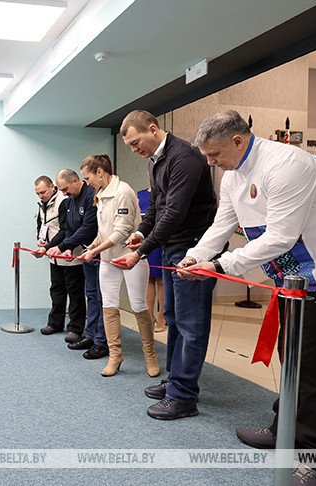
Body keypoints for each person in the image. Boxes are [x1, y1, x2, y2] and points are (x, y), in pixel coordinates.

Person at [179, 110, 316, 485]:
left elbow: (281, 236)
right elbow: (222, 223)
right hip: (291, 281)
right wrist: (197, 255)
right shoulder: (233, 175)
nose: (210, 162)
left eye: (214, 154)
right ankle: (285, 430)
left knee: (315, 371)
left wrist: (222, 266)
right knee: (290, 356)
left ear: (237, 140)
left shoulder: (288, 165)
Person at [115, 110, 218, 420]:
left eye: (136, 142)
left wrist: (141, 252)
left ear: (153, 128)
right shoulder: (155, 161)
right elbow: (156, 208)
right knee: (173, 316)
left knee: (191, 323)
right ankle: (175, 380)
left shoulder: (183, 157)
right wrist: (140, 233)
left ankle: (184, 396)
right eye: (130, 146)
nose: (134, 150)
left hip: (194, 248)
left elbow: (173, 212)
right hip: (174, 247)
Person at [79, 155, 159, 377]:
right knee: (109, 306)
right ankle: (115, 355)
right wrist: (93, 246)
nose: (87, 183)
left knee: (139, 305)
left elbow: (122, 231)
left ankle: (150, 354)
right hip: (108, 259)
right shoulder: (101, 195)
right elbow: (104, 229)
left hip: (131, 257)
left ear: (100, 172)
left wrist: (95, 251)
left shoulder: (122, 191)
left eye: (88, 178)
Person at [45, 169, 98, 353]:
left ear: (76, 180)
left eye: (66, 188)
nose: (64, 193)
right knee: (91, 295)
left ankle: (95, 336)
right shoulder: (70, 200)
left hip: (98, 252)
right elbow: (69, 228)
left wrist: (61, 246)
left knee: (94, 297)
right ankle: (91, 335)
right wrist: (67, 247)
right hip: (84, 253)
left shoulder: (91, 195)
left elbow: (88, 228)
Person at [32, 176, 86, 338]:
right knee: (56, 290)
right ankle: (55, 323)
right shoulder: (42, 204)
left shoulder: (64, 201)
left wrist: (48, 247)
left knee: (75, 293)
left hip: (70, 255)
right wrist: (41, 240)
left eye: (43, 192)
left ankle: (75, 328)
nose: (41, 196)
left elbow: (65, 230)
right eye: (38, 193)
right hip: (53, 255)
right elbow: (42, 224)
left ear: (52, 187)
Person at [137, 186, 166, 333]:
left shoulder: (164, 193)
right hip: (145, 241)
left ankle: (162, 317)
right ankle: (149, 316)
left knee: (161, 280)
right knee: (149, 279)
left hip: (160, 240)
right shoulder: (140, 194)